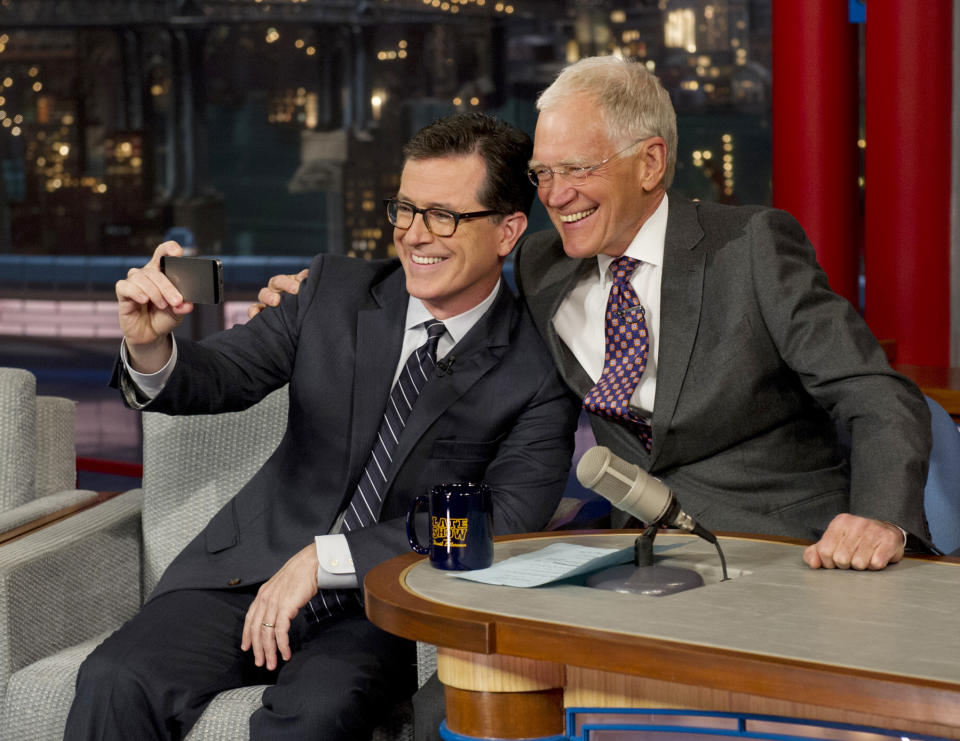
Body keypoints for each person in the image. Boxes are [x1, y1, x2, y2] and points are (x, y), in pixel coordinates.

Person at [254, 57, 933, 574]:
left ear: (651, 162)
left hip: (779, 551)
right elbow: (456, 294)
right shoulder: (545, 265)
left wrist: (878, 520)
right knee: (455, 704)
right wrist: (315, 301)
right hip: (631, 557)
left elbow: (877, 394)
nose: (556, 194)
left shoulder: (750, 247)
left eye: (575, 168)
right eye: (544, 173)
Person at [65, 112, 579, 741]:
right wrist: (149, 348)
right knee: (115, 678)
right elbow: (221, 374)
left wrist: (328, 560)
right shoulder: (329, 292)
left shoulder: (538, 364)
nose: (415, 235)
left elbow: (510, 514)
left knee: (316, 716)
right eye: (405, 210)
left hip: (381, 603)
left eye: (443, 215)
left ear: (508, 231)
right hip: (244, 572)